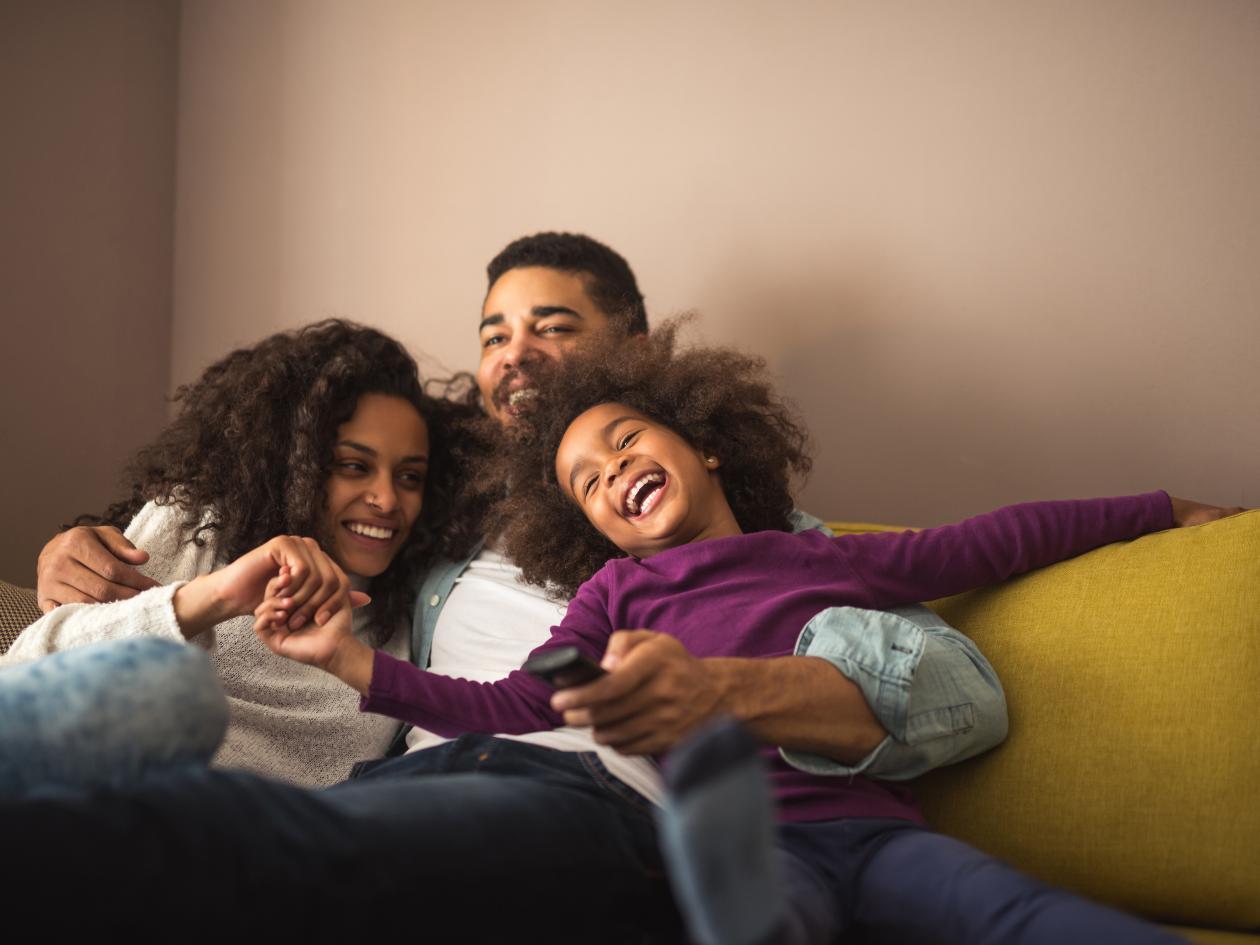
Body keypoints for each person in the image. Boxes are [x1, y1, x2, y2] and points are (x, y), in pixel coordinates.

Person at [255, 322, 1220, 944]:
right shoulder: (615, 599)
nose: (611, 472)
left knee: (1021, 914)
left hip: (879, 835)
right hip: (751, 856)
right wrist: (353, 662)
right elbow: (505, 706)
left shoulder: (817, 556)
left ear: (705, 441)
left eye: (625, 440)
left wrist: (1157, 508)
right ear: (587, 528)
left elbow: (1000, 539)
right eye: (586, 482)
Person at [2, 319, 464, 789]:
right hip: (74, 790)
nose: (386, 499)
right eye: (353, 466)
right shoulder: (197, 526)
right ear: (298, 461)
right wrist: (216, 597)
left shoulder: (402, 625)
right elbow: (23, 674)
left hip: (226, 843)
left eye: (410, 477)